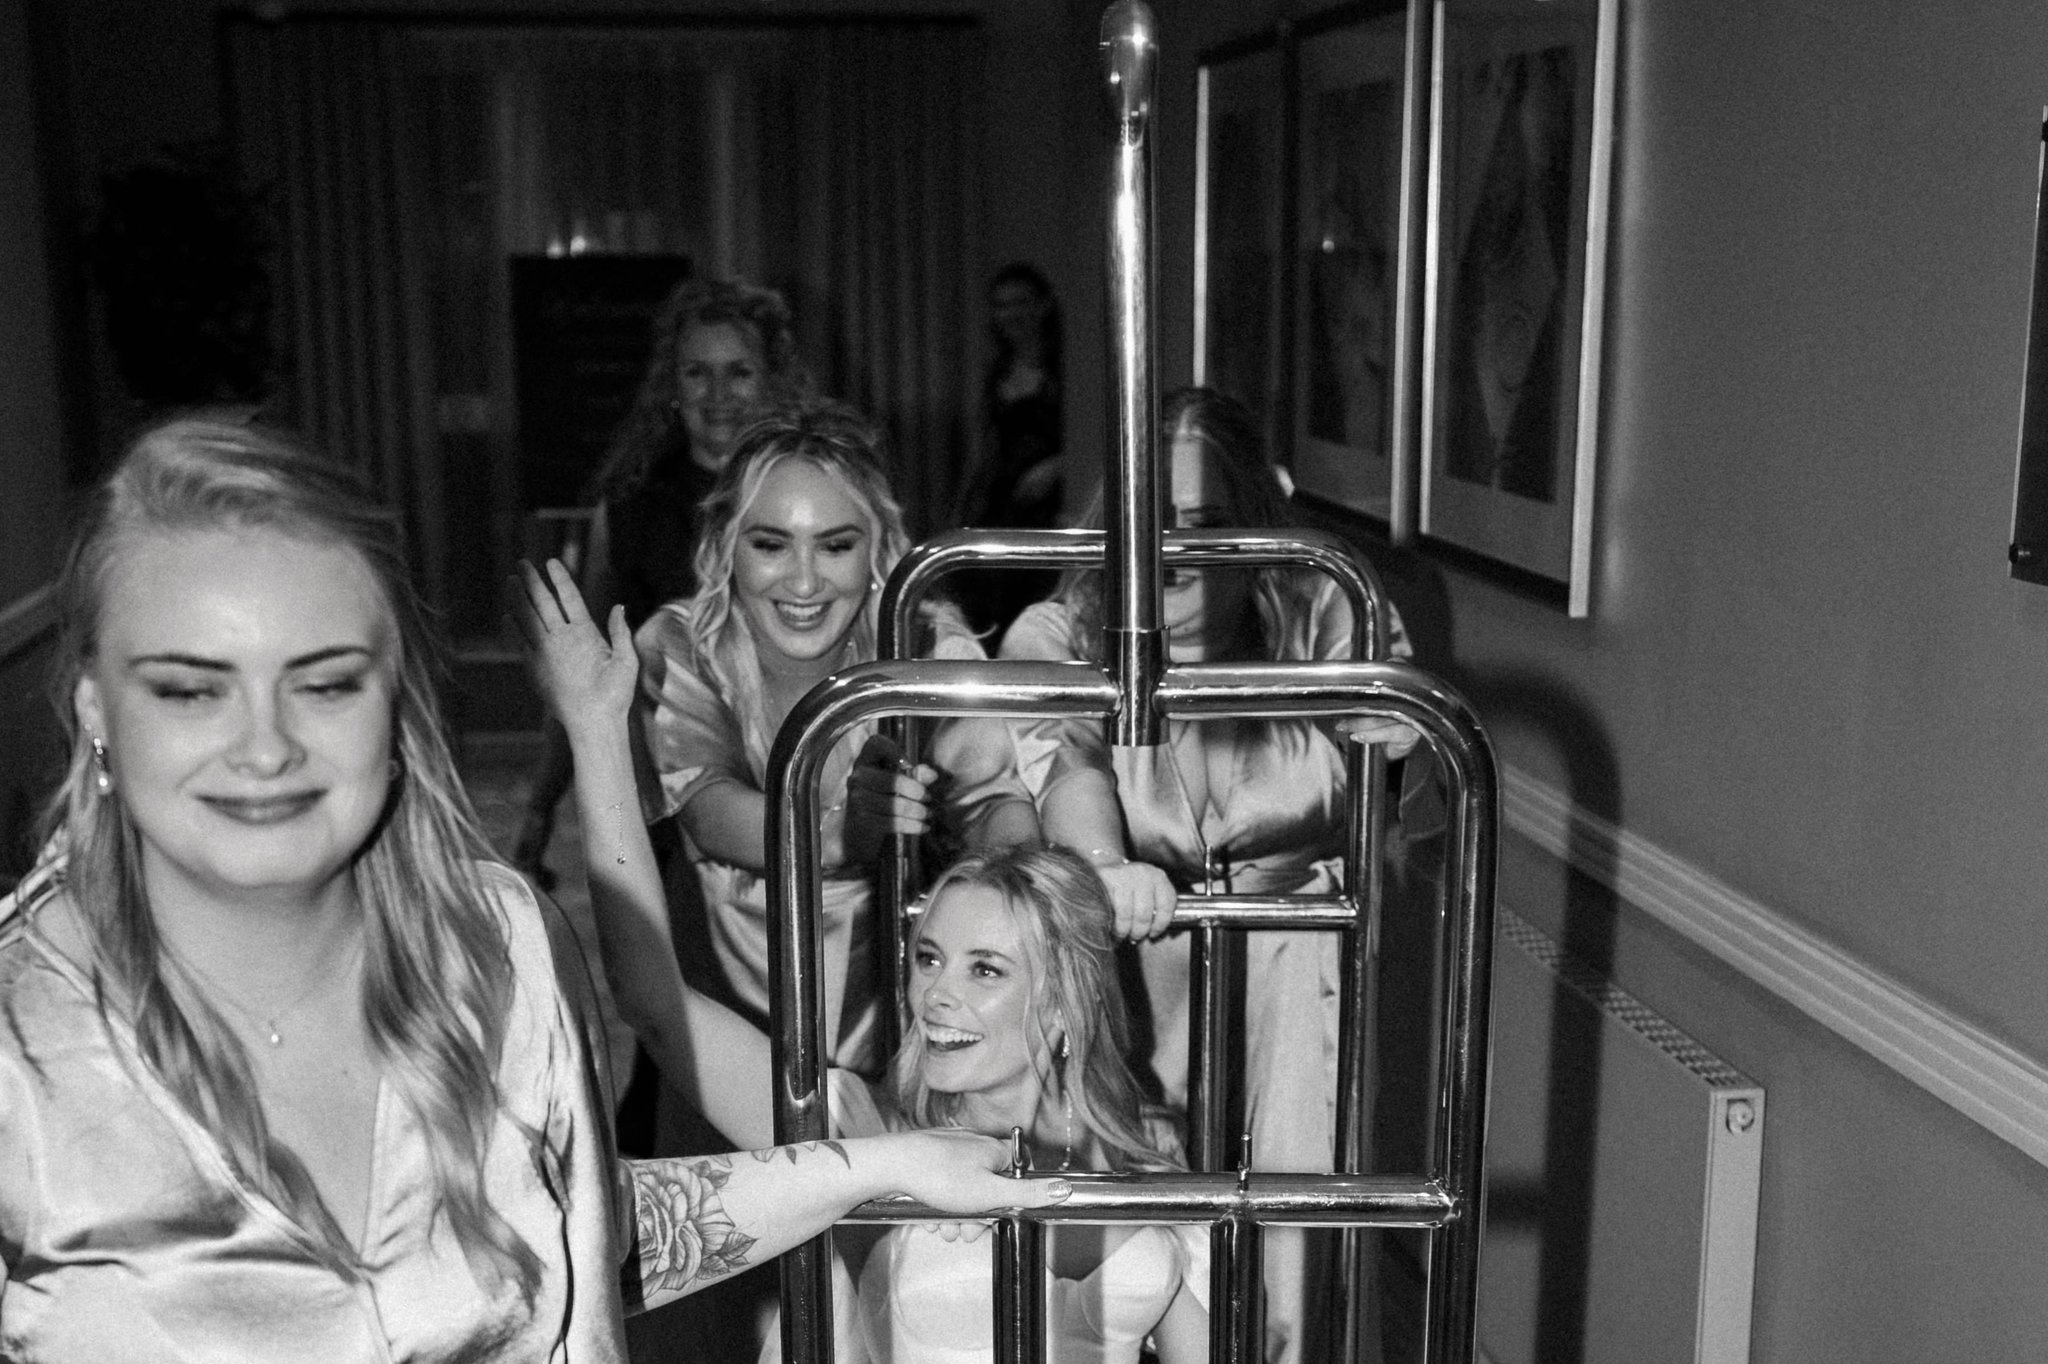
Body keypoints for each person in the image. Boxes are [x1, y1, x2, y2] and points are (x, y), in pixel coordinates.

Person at [0, 415, 1066, 1361]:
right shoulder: (20, 1038)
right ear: (93, 706)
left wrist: (874, 1164)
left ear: (395, 702)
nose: (266, 748)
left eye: (324, 683)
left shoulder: (499, 946)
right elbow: (702, 844)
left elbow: (580, 1232)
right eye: (190, 690)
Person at [512, 562, 1208, 1361]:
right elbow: (654, 1001)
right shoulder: (863, 1131)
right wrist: (596, 730)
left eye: (984, 969)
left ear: (1063, 1000)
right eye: (929, 958)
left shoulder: (1148, 1164)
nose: (934, 994)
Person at [999, 386, 1421, 1364]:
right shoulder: (1062, 631)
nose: (1176, 552)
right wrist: (1106, 865)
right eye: (1154, 521)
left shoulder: (1329, 605)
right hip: (1128, 962)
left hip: (1300, 978)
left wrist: (1403, 744)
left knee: (1293, 1250)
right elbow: (1065, 763)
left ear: (1254, 525)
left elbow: (1417, 771)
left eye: (1205, 523)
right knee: (1132, 1256)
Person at [633, 401, 1039, 1080]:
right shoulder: (681, 646)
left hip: (901, 1012)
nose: (803, 581)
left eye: (835, 545)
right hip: (729, 1021)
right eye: (771, 545)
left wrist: (1034, 885)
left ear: (876, 547)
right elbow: (707, 811)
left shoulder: (926, 644)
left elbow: (992, 802)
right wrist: (839, 832)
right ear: (727, 544)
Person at [513, 276, 812, 880]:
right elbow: (592, 670)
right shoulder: (630, 511)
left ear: (773, 380)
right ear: (672, 386)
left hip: (800, 778)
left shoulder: (817, 493)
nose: (718, 393)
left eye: (739, 372)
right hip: (673, 802)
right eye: (697, 372)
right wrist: (541, 806)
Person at [952, 262, 1065, 644]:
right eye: (1001, 305)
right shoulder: (998, 369)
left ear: (1043, 305)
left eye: (1020, 302)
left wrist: (1059, 467)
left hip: (1050, 510)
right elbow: (986, 444)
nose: (1010, 314)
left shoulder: (1066, 367)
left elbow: (1088, 436)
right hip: (1001, 503)